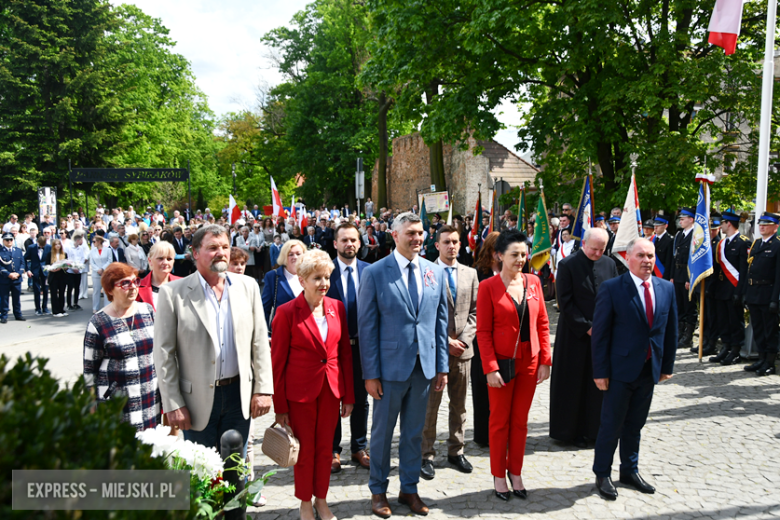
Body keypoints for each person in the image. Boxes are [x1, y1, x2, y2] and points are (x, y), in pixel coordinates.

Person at [358, 212, 449, 518]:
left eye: (421, 232)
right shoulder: (375, 272)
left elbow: (439, 322)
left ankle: (409, 489)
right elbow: (367, 328)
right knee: (382, 435)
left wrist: (442, 366)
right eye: (410, 233)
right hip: (388, 371)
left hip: (423, 369)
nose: (417, 238)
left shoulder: (432, 271)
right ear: (395, 235)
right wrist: (370, 374)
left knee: (414, 433)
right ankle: (378, 491)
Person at [153, 225, 274, 452]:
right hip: (195, 400)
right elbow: (164, 354)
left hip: (239, 396)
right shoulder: (173, 293)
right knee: (204, 475)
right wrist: (173, 403)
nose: (221, 252)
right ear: (195, 252)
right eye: (212, 247)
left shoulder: (248, 286)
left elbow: (259, 341)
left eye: (225, 247)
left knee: (235, 472)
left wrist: (263, 388)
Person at [591, 237, 678, 501]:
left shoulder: (666, 288)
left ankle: (629, 470)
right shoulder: (612, 288)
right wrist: (600, 371)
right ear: (627, 258)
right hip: (619, 371)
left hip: (649, 370)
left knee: (635, 425)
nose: (646, 261)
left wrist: (666, 365)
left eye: (650, 256)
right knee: (611, 425)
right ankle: (602, 473)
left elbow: (669, 330)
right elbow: (601, 335)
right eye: (640, 256)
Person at [272, 250, 355, 520]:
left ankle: (322, 500)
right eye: (317, 278)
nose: (323, 283)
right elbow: (278, 363)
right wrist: (280, 407)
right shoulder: (286, 313)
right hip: (300, 395)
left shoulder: (337, 308)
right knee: (304, 451)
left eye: (327, 277)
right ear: (302, 279)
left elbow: (344, 354)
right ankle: (305, 503)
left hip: (331, 391)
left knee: (325, 451)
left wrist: (349, 395)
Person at [476, 229, 551, 501]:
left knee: (520, 422)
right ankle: (498, 474)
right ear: (499, 255)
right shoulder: (487, 286)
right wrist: (490, 367)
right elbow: (482, 332)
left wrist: (545, 360)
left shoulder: (534, 282)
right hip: (502, 364)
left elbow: (543, 323)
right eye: (514, 254)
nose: (521, 259)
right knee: (499, 422)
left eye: (523, 254)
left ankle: (515, 471)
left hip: (529, 362)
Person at [549, 228, 618, 448]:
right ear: (584, 244)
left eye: (602, 249)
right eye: (594, 249)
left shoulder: (609, 264)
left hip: (603, 334)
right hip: (574, 335)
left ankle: (594, 430)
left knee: (597, 383)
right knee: (573, 383)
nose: (598, 253)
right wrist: (587, 327)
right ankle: (569, 431)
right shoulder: (567, 265)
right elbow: (565, 302)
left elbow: (615, 296)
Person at [421, 225, 479, 479]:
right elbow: (422, 314)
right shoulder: (425, 273)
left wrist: (463, 341)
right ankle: (425, 454)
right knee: (429, 407)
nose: (451, 246)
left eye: (455, 241)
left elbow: (476, 312)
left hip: (463, 353)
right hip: (435, 352)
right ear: (437, 245)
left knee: (460, 406)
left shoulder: (471, 274)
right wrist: (445, 341)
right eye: (446, 242)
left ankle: (456, 451)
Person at [83, 262, 160, 430]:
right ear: (110, 290)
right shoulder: (98, 322)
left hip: (149, 397)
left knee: (151, 450)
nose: (133, 287)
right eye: (125, 283)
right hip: (117, 401)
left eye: (135, 281)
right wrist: (91, 407)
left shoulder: (147, 311)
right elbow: (89, 372)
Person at [327, 224, 371, 473]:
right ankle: (334, 450)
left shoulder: (370, 272)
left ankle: (359, 447)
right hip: (332, 349)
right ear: (335, 244)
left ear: (360, 243)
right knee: (334, 398)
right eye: (344, 240)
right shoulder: (326, 272)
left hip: (362, 348)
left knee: (362, 398)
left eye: (353, 239)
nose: (349, 244)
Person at [470, 231, 501, 446]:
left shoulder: (515, 272)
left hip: (503, 338)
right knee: (482, 387)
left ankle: (501, 432)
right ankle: (483, 435)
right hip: (480, 337)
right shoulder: (478, 273)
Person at [710, 211, 750, 365]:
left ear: (729, 224)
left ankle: (735, 350)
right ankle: (726, 347)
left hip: (734, 289)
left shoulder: (743, 242)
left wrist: (740, 292)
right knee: (723, 321)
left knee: (735, 321)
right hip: (721, 289)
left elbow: (744, 271)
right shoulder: (722, 243)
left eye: (722, 223)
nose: (720, 226)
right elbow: (718, 269)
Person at [743, 212, 780, 376]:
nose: (762, 226)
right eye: (761, 224)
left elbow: (779, 275)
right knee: (757, 328)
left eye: (766, 224)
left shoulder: (778, 245)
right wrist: (746, 293)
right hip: (754, 292)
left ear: (776, 227)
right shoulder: (757, 244)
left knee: (770, 329)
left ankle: (770, 362)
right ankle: (761, 358)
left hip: (768, 293)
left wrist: (775, 299)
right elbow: (749, 271)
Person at [261, 239, 305, 330]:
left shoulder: (310, 275)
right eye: (291, 254)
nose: (295, 257)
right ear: (284, 256)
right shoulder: (273, 276)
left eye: (298, 254)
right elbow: (264, 309)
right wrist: (263, 335)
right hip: (281, 331)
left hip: (306, 332)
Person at [670, 207, 696, 350]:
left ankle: (688, 335)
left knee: (689, 306)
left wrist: (689, 278)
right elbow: (675, 257)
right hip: (678, 274)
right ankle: (679, 332)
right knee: (679, 305)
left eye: (683, 218)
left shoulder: (694, 235)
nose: (681, 220)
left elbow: (692, 259)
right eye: (680, 218)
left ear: (691, 219)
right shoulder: (679, 235)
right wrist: (672, 276)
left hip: (687, 275)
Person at [136, 241, 180, 311]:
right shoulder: (137, 288)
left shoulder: (183, 284)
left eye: (169, 259)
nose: (165, 262)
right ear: (150, 261)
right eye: (160, 258)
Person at [0, 232, 27, 323]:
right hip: (5, 279)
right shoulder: (0, 252)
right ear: (3, 241)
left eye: (11, 239)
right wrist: (9, 274)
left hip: (17, 279)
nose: (9, 241)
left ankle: (18, 314)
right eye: (7, 240)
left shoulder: (18, 250)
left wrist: (18, 273)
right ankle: (4, 315)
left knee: (16, 298)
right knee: (4, 298)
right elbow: (0, 266)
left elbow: (22, 264)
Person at [24, 235, 51, 315]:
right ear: (37, 242)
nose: (42, 246)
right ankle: (37, 308)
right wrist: (27, 270)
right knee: (37, 290)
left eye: (43, 245)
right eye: (41, 245)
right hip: (35, 271)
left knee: (46, 290)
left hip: (45, 271)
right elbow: (24, 258)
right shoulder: (31, 247)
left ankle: (45, 308)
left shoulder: (48, 247)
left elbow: (51, 258)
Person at [89, 233, 113, 314]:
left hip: (105, 273)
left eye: (94, 241)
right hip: (96, 273)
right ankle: (95, 307)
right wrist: (98, 270)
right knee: (96, 290)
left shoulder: (108, 250)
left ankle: (107, 307)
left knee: (106, 290)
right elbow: (92, 262)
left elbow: (109, 261)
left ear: (99, 241)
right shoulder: (92, 251)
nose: (93, 243)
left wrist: (103, 268)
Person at [64, 231, 87, 312]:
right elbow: (68, 259)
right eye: (81, 240)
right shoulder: (68, 247)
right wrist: (73, 267)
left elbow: (82, 258)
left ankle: (75, 303)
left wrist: (79, 267)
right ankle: (69, 304)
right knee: (70, 288)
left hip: (78, 271)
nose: (82, 242)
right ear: (78, 240)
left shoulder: (80, 248)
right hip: (70, 271)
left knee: (77, 287)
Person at [46, 239, 69, 317]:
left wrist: (66, 267)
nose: (57, 245)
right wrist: (52, 269)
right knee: (54, 294)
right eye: (56, 244)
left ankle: (61, 309)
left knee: (62, 293)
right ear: (53, 246)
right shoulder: (50, 254)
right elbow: (47, 265)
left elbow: (67, 265)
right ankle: (55, 311)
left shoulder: (64, 254)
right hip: (54, 276)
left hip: (62, 276)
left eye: (59, 244)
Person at [651, 216, 673, 280]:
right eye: (654, 225)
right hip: (652, 273)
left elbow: (669, 262)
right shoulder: (653, 239)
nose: (655, 227)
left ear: (666, 226)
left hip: (662, 274)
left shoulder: (669, 240)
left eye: (658, 225)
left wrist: (666, 277)